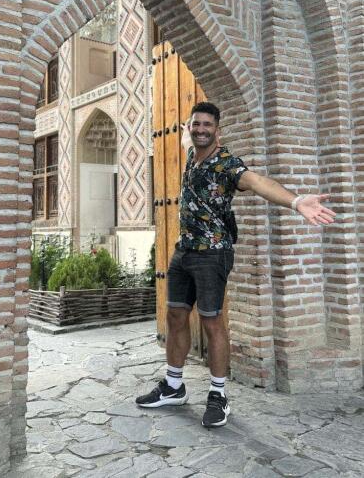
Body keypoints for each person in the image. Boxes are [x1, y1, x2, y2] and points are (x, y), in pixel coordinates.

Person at [135, 101, 336, 428]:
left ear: (217, 130)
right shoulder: (191, 154)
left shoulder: (227, 164)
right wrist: (186, 135)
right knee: (175, 316)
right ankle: (174, 386)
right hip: (183, 251)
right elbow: (187, 140)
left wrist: (297, 201)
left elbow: (256, 181)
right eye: (196, 124)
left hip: (212, 253)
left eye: (207, 126)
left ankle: (218, 395)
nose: (201, 130)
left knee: (212, 322)